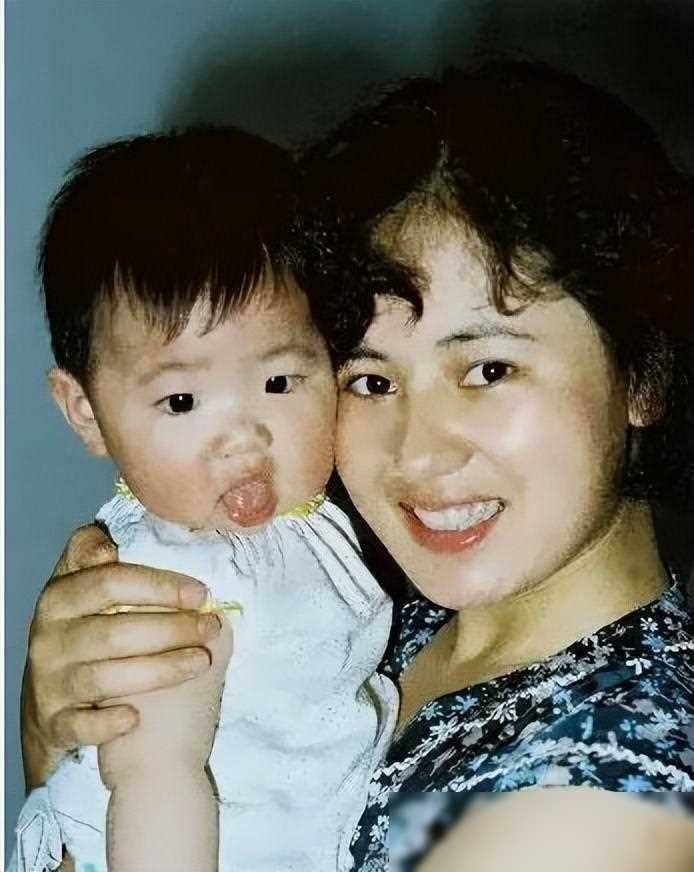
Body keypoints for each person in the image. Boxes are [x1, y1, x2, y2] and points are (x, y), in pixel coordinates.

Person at [15, 62, 694, 871]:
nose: (419, 450)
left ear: (642, 372)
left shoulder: (604, 793)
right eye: (370, 380)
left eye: (488, 369)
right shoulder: (378, 605)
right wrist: (60, 729)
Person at [11, 128, 397, 872]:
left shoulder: (308, 527)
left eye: (279, 382)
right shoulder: (174, 583)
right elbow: (156, 782)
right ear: (86, 412)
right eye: (182, 400)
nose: (242, 438)